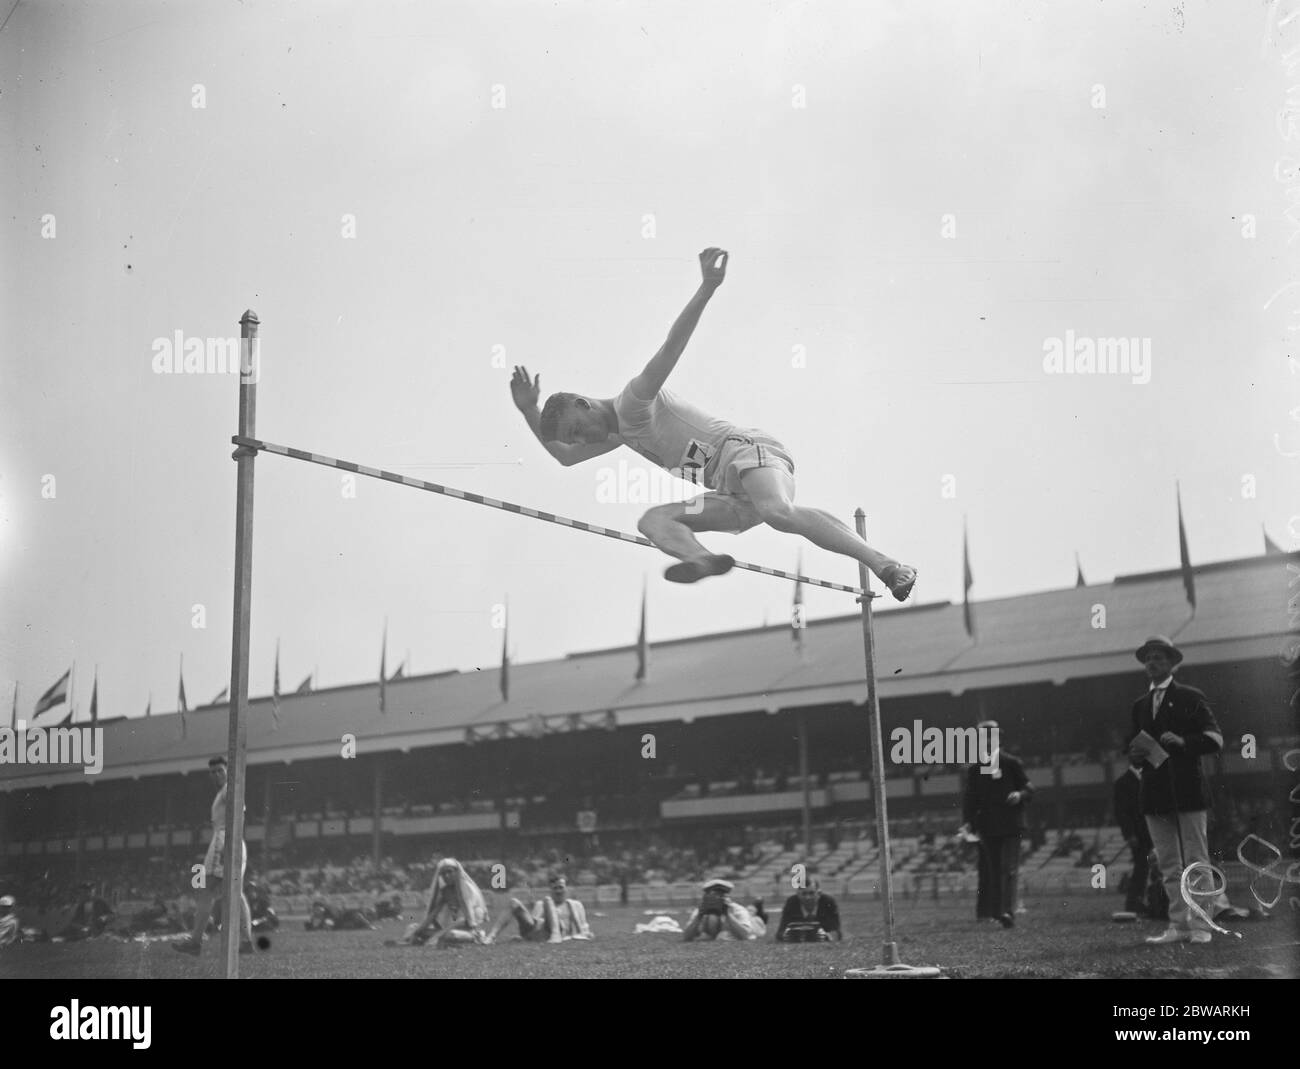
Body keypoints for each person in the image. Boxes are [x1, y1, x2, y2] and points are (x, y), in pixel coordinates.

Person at [510, 247, 917, 599]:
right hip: (729, 491)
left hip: (745, 451)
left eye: (577, 430)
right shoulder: (622, 435)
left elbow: (672, 345)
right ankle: (702, 559)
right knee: (653, 520)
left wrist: (708, 285)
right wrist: (529, 410)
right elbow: (562, 459)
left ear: (584, 404)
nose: (580, 441)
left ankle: (887, 566)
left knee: (778, 513)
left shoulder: (634, 400)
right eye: (575, 439)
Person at [1126, 636, 1224, 946]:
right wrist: (1134, 755)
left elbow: (1215, 739)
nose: (1151, 663)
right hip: (1154, 793)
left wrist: (1185, 742)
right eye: (1147, 658)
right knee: (1168, 864)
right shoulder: (1139, 705)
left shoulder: (1190, 696)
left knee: (1195, 858)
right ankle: (1179, 925)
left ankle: (1202, 925)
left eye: (1158, 657)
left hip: (1187, 790)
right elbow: (1133, 744)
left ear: (1171, 663)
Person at [173, 756, 256, 957]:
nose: (216, 774)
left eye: (220, 770)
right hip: (235, 842)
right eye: (212, 772)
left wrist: (229, 838)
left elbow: (239, 813)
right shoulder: (225, 791)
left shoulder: (229, 790)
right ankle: (246, 942)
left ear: (228, 770)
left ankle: (195, 941)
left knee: (205, 889)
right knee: (235, 892)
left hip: (225, 839)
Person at [959, 720, 1034, 928]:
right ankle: (994, 912)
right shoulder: (975, 769)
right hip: (988, 826)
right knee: (993, 870)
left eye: (991, 737)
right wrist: (967, 823)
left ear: (998, 739)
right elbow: (970, 799)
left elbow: (1030, 789)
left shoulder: (1012, 763)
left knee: (1009, 868)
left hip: (1011, 824)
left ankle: (1007, 912)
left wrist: (1019, 795)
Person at [1113, 760, 1168, 920]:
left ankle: (1157, 901)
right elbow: (1121, 812)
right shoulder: (1123, 783)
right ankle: (1134, 903)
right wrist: (1129, 834)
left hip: (1154, 831)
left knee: (1156, 867)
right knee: (1141, 868)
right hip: (1139, 835)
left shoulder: (1149, 778)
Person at [400, 858, 489, 946]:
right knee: (412, 927)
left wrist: (439, 935)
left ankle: (429, 940)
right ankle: (416, 939)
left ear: (457, 872)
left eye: (449, 872)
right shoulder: (446, 891)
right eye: (443, 873)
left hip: (469, 931)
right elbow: (433, 914)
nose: (446, 876)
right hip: (447, 930)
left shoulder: (468, 889)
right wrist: (417, 932)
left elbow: (466, 921)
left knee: (451, 935)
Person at [484, 874, 593, 944]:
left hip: (558, 932)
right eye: (555, 888)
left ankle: (556, 935)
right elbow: (534, 923)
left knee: (547, 901)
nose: (558, 891)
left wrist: (584, 934)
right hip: (540, 931)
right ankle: (491, 936)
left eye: (561, 887)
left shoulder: (574, 905)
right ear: (550, 890)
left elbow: (583, 929)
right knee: (514, 902)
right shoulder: (542, 904)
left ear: (566, 889)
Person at [682, 878, 766, 941]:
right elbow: (686, 937)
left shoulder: (737, 910)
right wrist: (699, 916)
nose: (715, 899)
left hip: (755, 924)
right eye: (712, 896)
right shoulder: (700, 911)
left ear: (726, 897)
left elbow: (745, 935)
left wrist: (728, 914)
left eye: (720, 895)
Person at [774, 878, 842, 942]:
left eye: (811, 893)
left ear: (819, 893)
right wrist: (787, 936)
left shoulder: (828, 902)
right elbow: (781, 931)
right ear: (798, 894)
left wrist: (827, 936)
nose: (808, 898)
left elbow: (836, 931)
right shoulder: (791, 903)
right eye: (804, 894)